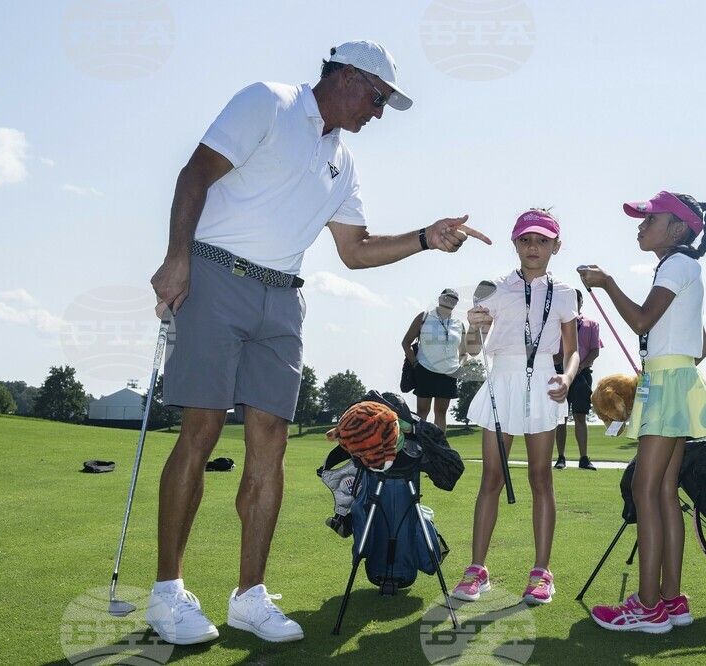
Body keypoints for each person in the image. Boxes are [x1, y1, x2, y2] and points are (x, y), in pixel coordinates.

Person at [146, 40, 490, 646]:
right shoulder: (269, 102)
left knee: (271, 444)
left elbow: (355, 251)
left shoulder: (345, 160)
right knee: (200, 429)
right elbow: (195, 172)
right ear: (350, 78)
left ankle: (249, 595)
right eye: (379, 98)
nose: (379, 113)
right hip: (216, 272)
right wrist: (177, 257)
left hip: (283, 298)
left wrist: (426, 238)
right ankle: (168, 591)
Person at [579, 191, 706, 633]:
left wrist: (607, 284)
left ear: (678, 228)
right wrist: (668, 363)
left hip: (666, 386)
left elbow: (642, 321)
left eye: (649, 220)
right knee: (663, 494)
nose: (640, 226)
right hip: (675, 383)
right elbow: (701, 347)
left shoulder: (676, 265)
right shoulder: (683, 267)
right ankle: (672, 601)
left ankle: (647, 606)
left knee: (646, 493)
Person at [452, 209, 579, 606]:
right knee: (491, 477)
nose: (533, 247)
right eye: (526, 240)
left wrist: (567, 378)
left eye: (542, 240)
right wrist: (472, 327)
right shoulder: (493, 288)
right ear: (515, 244)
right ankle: (477, 570)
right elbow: (471, 352)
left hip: (544, 382)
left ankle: (542, 572)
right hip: (502, 381)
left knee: (541, 478)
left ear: (556, 246)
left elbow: (572, 351)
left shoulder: (565, 293)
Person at [401, 287, 467, 431]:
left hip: (449, 372)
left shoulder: (459, 324)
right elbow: (406, 342)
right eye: (446, 297)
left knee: (441, 412)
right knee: (422, 412)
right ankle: (420, 447)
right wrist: (415, 364)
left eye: (454, 299)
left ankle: (438, 448)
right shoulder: (424, 317)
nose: (449, 301)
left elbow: (463, 353)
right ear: (439, 298)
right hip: (425, 369)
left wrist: (460, 367)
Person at [552, 289, 602, 470]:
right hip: (560, 373)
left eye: (576, 300)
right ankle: (560, 457)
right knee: (561, 418)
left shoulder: (592, 324)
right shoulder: (556, 324)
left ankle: (583, 458)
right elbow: (552, 350)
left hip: (582, 375)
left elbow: (595, 350)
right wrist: (563, 363)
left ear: (581, 302)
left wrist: (579, 367)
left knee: (580, 416)